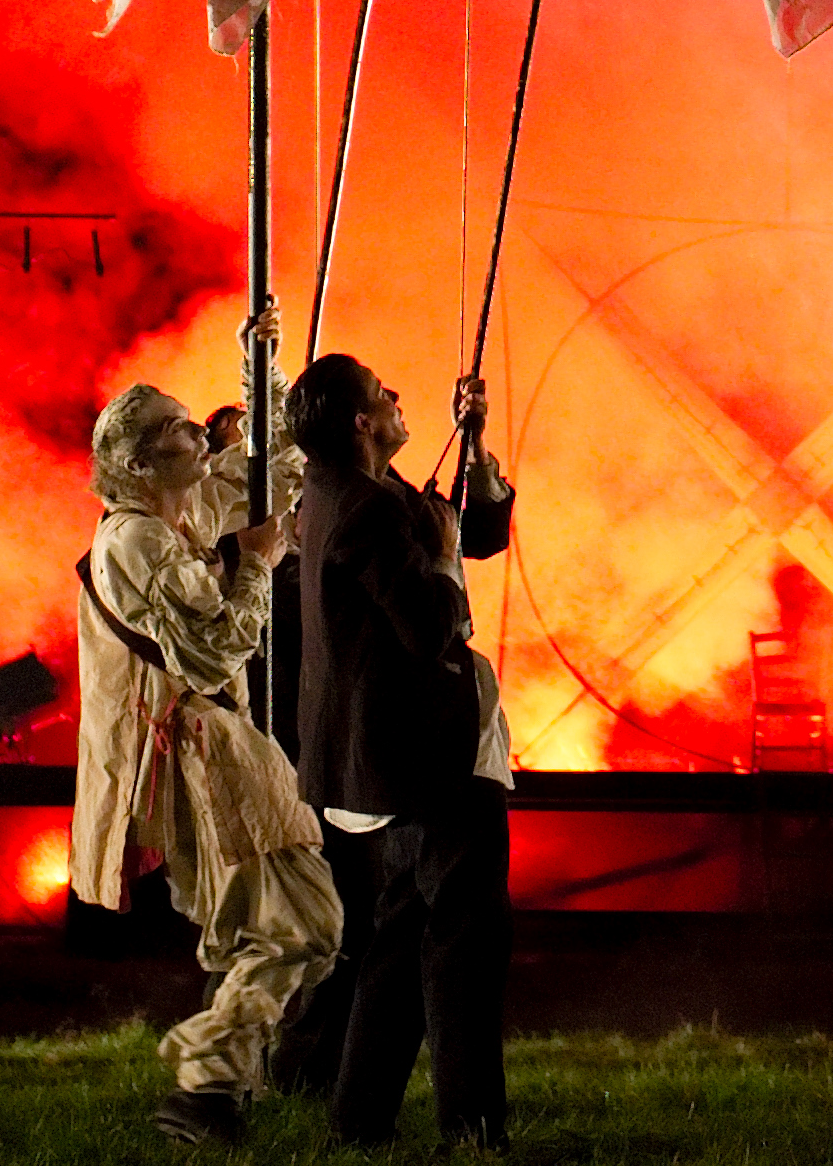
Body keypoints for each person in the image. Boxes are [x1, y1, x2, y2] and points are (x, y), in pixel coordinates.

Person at [74, 375, 340, 1145]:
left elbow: (268, 462)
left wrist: (263, 361)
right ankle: (209, 1079)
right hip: (198, 751)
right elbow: (213, 650)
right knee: (302, 925)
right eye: (178, 427)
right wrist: (255, 564)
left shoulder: (175, 515)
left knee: (272, 927)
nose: (199, 434)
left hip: (211, 745)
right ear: (139, 461)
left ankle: (221, 1085)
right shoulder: (136, 540)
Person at [286, 352, 517, 1147]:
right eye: (383, 392)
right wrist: (445, 560)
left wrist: (472, 445)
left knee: (396, 940)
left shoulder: (349, 490)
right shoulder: (366, 506)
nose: (395, 396)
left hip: (389, 758)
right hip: (425, 756)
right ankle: (472, 1130)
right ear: (362, 421)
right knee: (465, 942)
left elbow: (472, 530)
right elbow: (429, 620)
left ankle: (359, 1119)